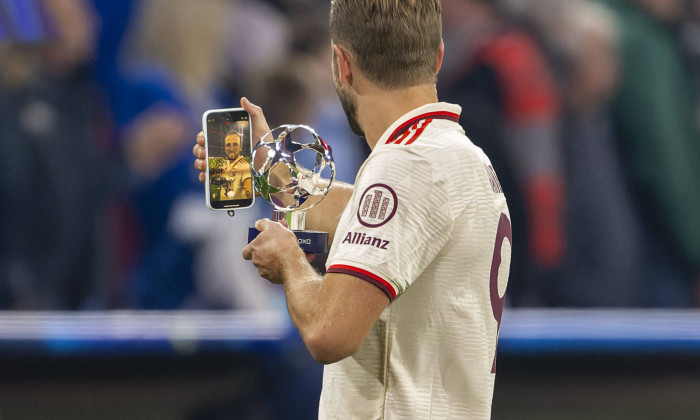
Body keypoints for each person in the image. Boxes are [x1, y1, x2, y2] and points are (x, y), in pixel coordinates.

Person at [193, 0, 512, 418]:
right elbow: (369, 214)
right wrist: (272, 169)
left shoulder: (405, 164)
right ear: (437, 55)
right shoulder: (460, 155)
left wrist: (288, 259)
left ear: (341, 64)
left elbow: (329, 332)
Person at [209, 131, 253, 201]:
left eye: (235, 144)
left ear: (240, 148)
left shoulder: (245, 166)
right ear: (225, 148)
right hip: (222, 206)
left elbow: (250, 193)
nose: (231, 148)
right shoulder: (226, 163)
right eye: (228, 145)